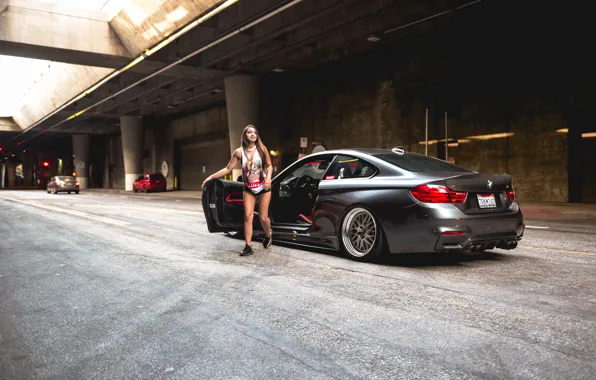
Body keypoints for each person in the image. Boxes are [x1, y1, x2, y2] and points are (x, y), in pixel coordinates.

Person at [202, 125, 273, 256]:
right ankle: (248, 246)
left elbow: (269, 165)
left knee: (263, 217)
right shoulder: (239, 152)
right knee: (248, 216)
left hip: (264, 187)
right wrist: (210, 177)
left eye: (254, 133)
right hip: (249, 187)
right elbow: (227, 169)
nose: (252, 134)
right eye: (249, 132)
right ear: (245, 136)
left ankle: (268, 234)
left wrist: (268, 178)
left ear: (257, 136)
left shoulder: (262, 149)